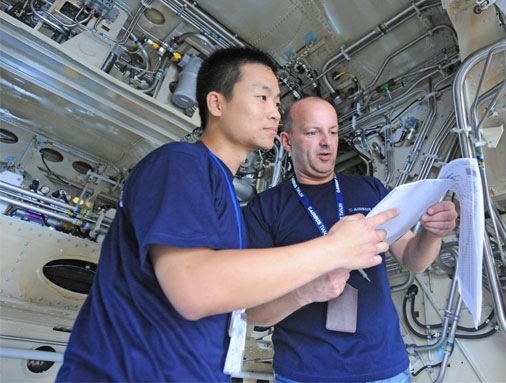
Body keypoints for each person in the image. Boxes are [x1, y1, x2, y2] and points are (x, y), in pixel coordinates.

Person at [56, 48, 397, 382]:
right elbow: (193, 287)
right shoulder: (180, 163)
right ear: (217, 104)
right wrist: (333, 249)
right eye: (262, 98)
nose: (274, 112)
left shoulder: (224, 194)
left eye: (277, 102)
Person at [243, 96, 458, 383]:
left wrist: (431, 233)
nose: (326, 142)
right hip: (306, 372)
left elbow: (412, 259)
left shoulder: (370, 190)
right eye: (313, 132)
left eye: (332, 132)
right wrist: (305, 292)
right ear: (287, 141)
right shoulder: (264, 209)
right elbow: (251, 312)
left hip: (384, 368)